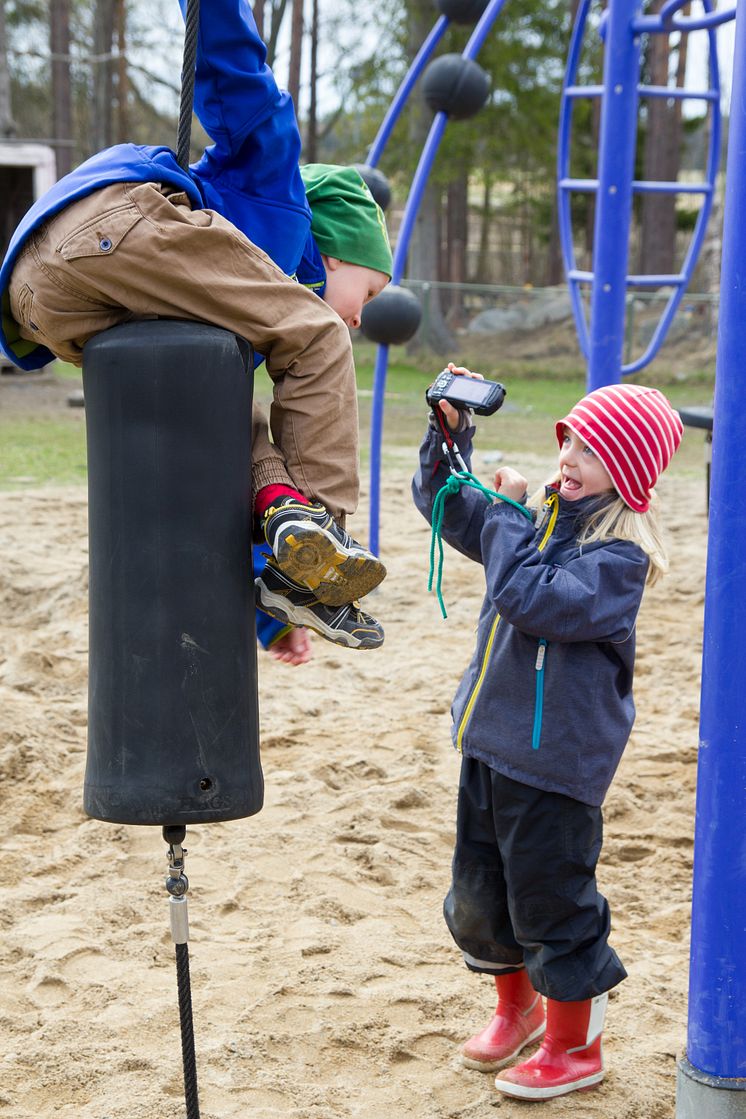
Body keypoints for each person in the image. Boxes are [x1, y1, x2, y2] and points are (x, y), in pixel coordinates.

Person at [0, 0, 390, 651]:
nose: (362, 314)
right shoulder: (276, 191)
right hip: (106, 226)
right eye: (370, 289)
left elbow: (221, 455)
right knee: (317, 334)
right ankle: (322, 557)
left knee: (226, 411)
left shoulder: (226, 296)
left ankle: (292, 578)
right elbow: (239, 80)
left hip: (43, 301)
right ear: (336, 247)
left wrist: (270, 626)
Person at [412, 372, 683, 1100]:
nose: (569, 455)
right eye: (569, 437)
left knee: (552, 904)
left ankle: (576, 1046)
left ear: (625, 471)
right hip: (490, 744)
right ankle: (518, 1008)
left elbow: (533, 599)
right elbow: (446, 506)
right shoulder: (537, 520)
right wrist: (450, 437)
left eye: (590, 449)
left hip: (556, 766)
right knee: (480, 898)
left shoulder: (618, 561)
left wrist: (506, 518)